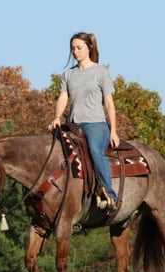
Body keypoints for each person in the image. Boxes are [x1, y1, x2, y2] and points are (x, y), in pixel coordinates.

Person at [48, 32, 120, 209]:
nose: (75, 51)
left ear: (89, 47)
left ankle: (110, 195)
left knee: (95, 151)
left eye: (79, 47)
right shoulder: (68, 74)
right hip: (73, 125)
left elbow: (109, 104)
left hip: (96, 124)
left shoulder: (101, 72)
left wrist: (113, 131)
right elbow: (63, 98)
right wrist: (57, 117)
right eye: (73, 48)